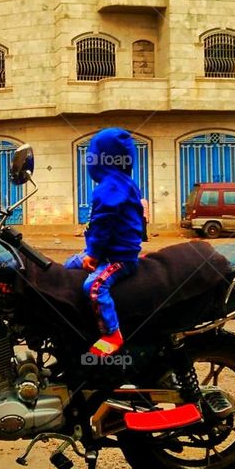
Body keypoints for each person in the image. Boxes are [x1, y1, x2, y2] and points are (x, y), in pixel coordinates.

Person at [64, 127, 145, 363]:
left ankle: (112, 334)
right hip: (107, 252)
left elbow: (103, 224)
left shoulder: (110, 187)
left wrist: (94, 254)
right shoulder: (121, 182)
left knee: (95, 286)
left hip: (119, 258)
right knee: (68, 266)